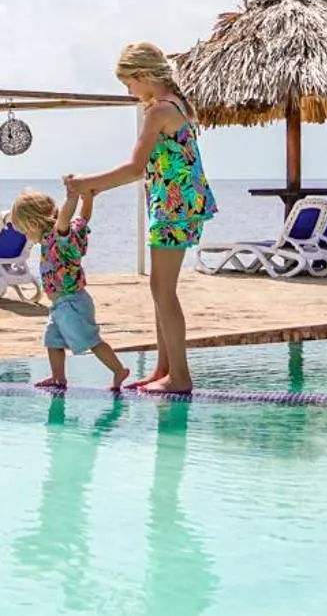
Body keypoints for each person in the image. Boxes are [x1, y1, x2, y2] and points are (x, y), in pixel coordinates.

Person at [66, 41, 216, 393]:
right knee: (159, 289)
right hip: (177, 204)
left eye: (129, 83)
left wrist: (85, 183)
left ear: (145, 75)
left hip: (173, 207)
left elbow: (135, 167)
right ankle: (164, 369)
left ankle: (179, 377)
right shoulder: (174, 105)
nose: (129, 91)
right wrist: (97, 188)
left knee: (164, 290)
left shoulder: (159, 110)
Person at [9, 184, 129, 392]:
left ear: (35, 222)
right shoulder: (57, 236)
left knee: (91, 340)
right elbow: (84, 218)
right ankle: (58, 377)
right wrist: (88, 198)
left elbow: (65, 217)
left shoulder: (60, 236)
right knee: (52, 339)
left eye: (25, 230)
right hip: (61, 304)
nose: (26, 237)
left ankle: (118, 369)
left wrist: (72, 197)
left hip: (72, 302)